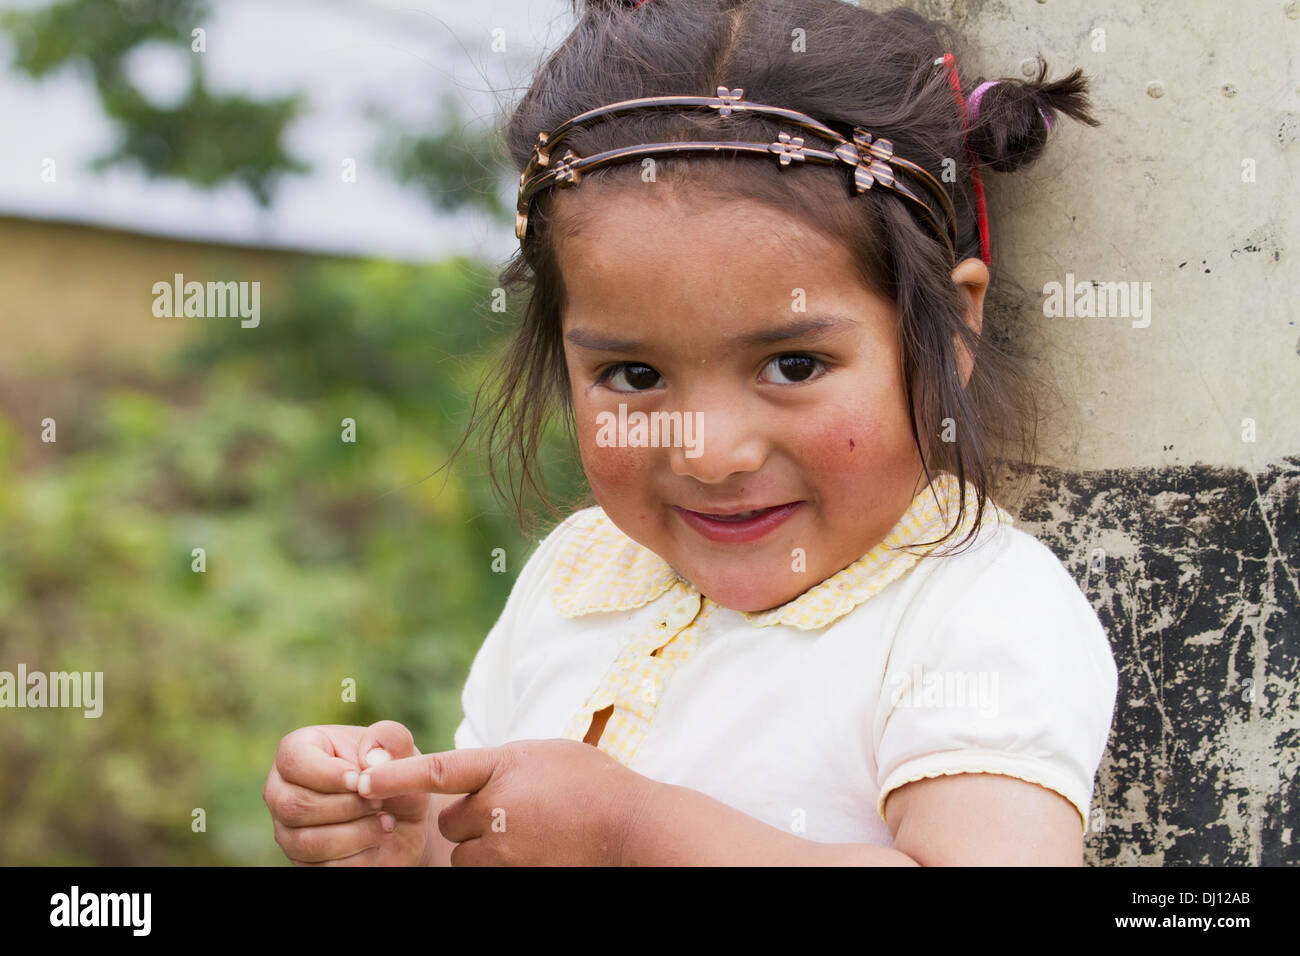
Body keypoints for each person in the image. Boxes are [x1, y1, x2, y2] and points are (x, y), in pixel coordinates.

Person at [263, 0, 1118, 866]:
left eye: (792, 365)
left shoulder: (969, 612)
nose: (710, 453)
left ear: (947, 333)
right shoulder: (578, 575)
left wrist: (634, 835)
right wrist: (414, 841)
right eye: (634, 377)